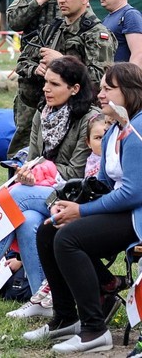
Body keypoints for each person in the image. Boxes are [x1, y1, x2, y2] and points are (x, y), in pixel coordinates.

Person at [0, 56, 99, 307]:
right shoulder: (42, 112)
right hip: (43, 194)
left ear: (75, 89)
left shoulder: (89, 119)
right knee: (26, 221)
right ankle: (41, 300)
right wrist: (27, 172)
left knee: (13, 197)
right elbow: (34, 158)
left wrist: (38, 174)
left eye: (55, 84)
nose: (46, 89)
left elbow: (75, 173)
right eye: (45, 82)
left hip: (74, 196)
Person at [26, 63, 142, 353]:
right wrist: (72, 205)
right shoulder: (116, 127)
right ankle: (66, 318)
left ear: (128, 92)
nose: (99, 94)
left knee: (69, 238)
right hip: (120, 210)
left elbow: (133, 192)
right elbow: (102, 182)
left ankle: (94, 330)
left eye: (107, 88)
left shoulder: (137, 130)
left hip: (137, 215)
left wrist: (82, 213)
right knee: (50, 230)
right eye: (100, 88)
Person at [14, 0, 115, 142]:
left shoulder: (97, 34)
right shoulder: (52, 30)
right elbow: (22, 63)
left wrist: (62, 63)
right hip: (47, 112)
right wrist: (36, 69)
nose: (61, 0)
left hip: (80, 117)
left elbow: (99, 80)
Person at [6, 0, 67, 156]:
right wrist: (39, 1)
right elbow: (13, 21)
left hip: (61, 75)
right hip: (31, 75)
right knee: (24, 132)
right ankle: (14, 177)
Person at [99, 0, 142, 65]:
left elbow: (138, 54)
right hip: (107, 77)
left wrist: (130, 78)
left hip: (123, 78)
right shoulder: (105, 20)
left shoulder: (130, 15)